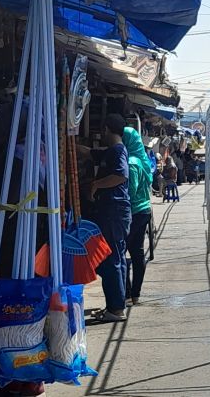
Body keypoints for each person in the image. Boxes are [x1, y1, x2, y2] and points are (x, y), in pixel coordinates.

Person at [84, 114, 131, 322]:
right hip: (114, 212)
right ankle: (115, 306)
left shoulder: (117, 151)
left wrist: (96, 185)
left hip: (113, 211)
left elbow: (121, 175)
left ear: (107, 129)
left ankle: (115, 309)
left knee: (111, 259)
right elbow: (90, 153)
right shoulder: (111, 152)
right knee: (116, 258)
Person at [123, 126, 153, 305]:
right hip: (144, 210)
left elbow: (131, 191)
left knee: (122, 253)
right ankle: (135, 294)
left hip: (134, 212)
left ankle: (126, 294)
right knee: (137, 253)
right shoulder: (142, 160)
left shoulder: (132, 162)